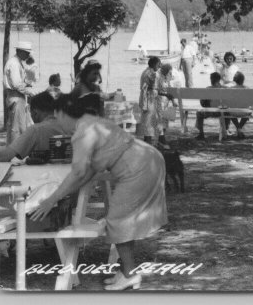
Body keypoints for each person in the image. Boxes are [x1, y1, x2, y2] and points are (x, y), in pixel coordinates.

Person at [30, 92, 168, 291]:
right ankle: (127, 270)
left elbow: (79, 173)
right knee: (121, 219)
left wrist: (51, 199)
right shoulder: (91, 123)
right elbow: (90, 170)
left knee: (118, 220)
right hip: (149, 157)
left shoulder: (82, 131)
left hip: (137, 167)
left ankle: (130, 275)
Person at [0, 92, 70, 162]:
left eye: (30, 113)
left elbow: (5, 156)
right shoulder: (70, 127)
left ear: (35, 113)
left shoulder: (35, 130)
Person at [3, 41, 35, 145]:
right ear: (20, 51)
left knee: (14, 125)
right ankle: (16, 152)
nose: (28, 55)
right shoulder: (14, 63)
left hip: (16, 96)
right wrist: (29, 92)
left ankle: (11, 150)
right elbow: (17, 84)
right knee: (17, 127)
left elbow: (19, 82)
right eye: (27, 53)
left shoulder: (17, 62)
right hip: (16, 96)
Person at [137, 57, 161, 142]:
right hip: (148, 99)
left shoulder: (147, 72)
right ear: (154, 64)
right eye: (158, 64)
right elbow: (153, 88)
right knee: (149, 121)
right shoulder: (151, 73)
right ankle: (148, 141)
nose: (159, 66)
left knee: (147, 121)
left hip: (147, 98)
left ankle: (147, 140)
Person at [195, 72, 223, 140]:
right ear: (219, 80)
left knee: (199, 113)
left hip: (211, 112)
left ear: (211, 80)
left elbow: (202, 103)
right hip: (223, 111)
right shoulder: (224, 89)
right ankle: (225, 130)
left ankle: (201, 133)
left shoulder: (208, 89)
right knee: (226, 113)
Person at [153, 63, 176, 144]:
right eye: (169, 71)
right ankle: (161, 137)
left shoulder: (167, 77)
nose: (171, 73)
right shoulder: (158, 77)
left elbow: (169, 88)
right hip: (159, 100)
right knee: (160, 119)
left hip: (166, 101)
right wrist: (166, 94)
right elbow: (155, 90)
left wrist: (172, 99)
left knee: (165, 119)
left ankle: (162, 136)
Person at [223, 72, 248, 139]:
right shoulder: (247, 89)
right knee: (250, 111)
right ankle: (239, 128)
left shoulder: (231, 89)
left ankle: (238, 128)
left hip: (232, 112)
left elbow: (227, 102)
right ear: (243, 80)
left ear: (235, 80)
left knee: (229, 111)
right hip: (245, 112)